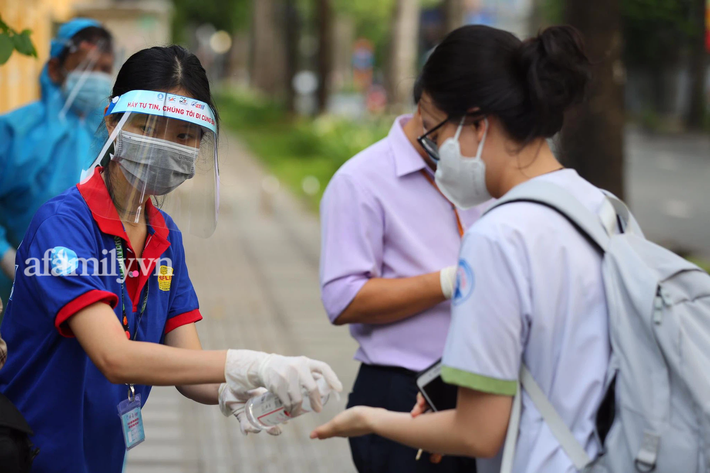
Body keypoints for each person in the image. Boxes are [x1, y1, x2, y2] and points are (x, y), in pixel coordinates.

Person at [0, 45, 342, 473]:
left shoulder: (165, 236)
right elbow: (115, 356)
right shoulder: (63, 227)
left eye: (184, 136)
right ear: (113, 122)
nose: (168, 146)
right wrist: (253, 363)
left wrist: (238, 391)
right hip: (33, 455)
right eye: (152, 128)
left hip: (103, 458)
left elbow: (189, 367)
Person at [312, 24, 608, 473]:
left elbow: (476, 431)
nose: (429, 144)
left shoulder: (497, 235)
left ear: (477, 123)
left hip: (523, 440)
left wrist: (371, 419)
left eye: (434, 132)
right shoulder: (603, 207)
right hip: (592, 438)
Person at [319, 61, 485, 472]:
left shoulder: (485, 172)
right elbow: (343, 299)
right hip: (402, 388)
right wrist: (448, 281)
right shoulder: (361, 181)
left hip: (483, 387)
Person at [0, 18, 115, 306]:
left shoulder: (113, 134)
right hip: (19, 290)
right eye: (86, 67)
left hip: (96, 286)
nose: (97, 78)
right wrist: (6, 257)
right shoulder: (14, 130)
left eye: (104, 69)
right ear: (55, 69)